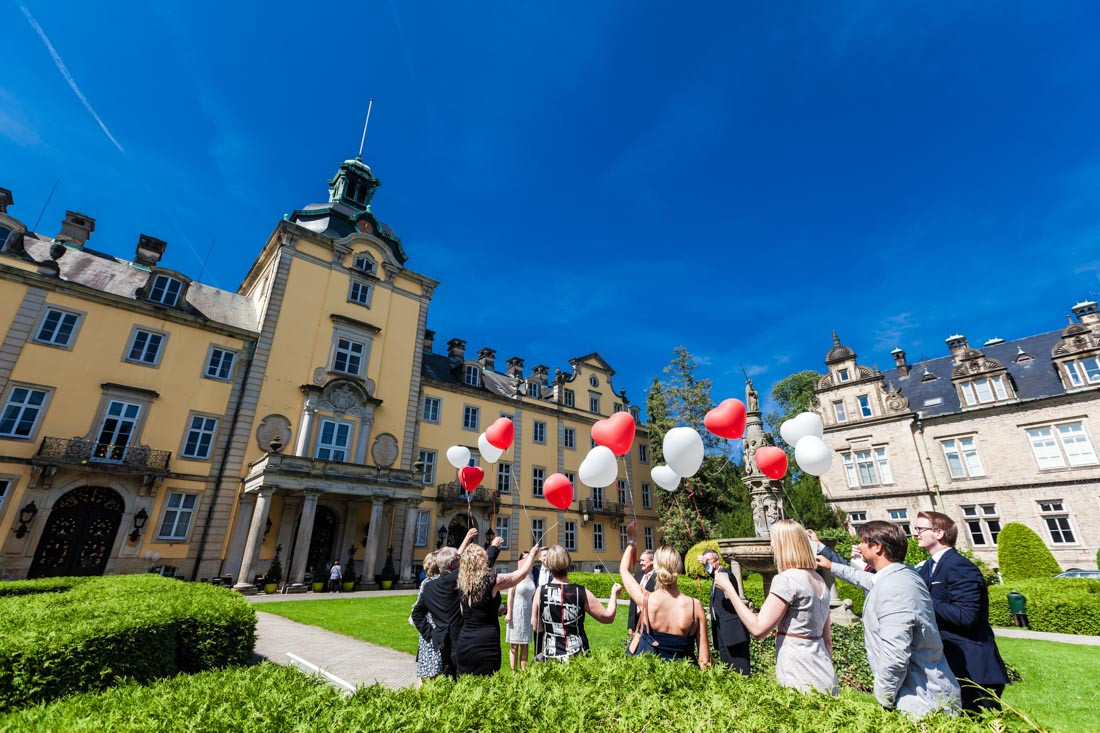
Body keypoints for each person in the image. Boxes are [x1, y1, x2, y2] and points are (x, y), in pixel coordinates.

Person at [822, 521, 960, 717]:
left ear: (877, 547)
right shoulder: (899, 575)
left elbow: (895, 655)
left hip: (919, 702)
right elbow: (869, 580)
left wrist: (884, 696)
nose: (858, 547)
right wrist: (831, 566)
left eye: (862, 542)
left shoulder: (895, 588)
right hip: (916, 695)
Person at [714, 520, 837, 694]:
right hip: (823, 668)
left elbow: (758, 629)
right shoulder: (819, 580)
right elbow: (827, 640)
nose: (770, 544)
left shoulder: (787, 579)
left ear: (782, 544)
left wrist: (729, 590)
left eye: (773, 539)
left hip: (797, 667)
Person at [914, 511, 1009, 713]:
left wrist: (924, 601)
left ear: (938, 533)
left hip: (973, 666)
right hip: (949, 663)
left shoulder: (960, 566)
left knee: (983, 721)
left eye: (920, 529)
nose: (916, 533)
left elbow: (965, 616)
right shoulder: (927, 567)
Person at [619, 522, 710, 669]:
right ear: (679, 568)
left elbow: (624, 570)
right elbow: (705, 661)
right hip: (685, 677)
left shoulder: (646, 600)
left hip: (653, 675)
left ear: (655, 568)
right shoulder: (695, 606)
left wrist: (632, 540)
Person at [411, 527, 492, 678]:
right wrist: (492, 548)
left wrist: (432, 634)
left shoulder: (428, 584)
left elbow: (416, 614)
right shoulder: (453, 579)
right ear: (453, 565)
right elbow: (477, 567)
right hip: (459, 640)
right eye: (458, 559)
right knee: (459, 677)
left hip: (442, 641)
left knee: (444, 678)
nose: (461, 560)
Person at [455, 538, 538, 676]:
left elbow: (465, 611)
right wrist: (532, 555)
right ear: (480, 561)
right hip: (485, 642)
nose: (486, 558)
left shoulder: (462, 585)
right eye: (484, 556)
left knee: (465, 684)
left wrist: (493, 609)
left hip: (464, 641)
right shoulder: (491, 581)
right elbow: (520, 575)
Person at [531, 545, 622, 660]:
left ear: (549, 565)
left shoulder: (540, 591)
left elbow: (536, 626)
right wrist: (614, 594)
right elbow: (608, 617)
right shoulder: (580, 591)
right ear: (568, 563)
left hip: (551, 656)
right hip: (578, 657)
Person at [697, 548, 751, 675]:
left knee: (740, 671)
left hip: (733, 633)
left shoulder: (727, 574)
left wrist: (707, 565)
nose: (708, 564)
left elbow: (722, 579)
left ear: (717, 560)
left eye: (710, 561)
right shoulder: (717, 578)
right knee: (726, 671)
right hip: (721, 632)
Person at [410, 551, 443, 687]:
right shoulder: (434, 584)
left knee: (425, 671)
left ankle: (420, 698)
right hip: (433, 631)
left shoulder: (425, 582)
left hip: (425, 633)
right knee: (434, 672)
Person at [505, 550, 537, 670]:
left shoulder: (533, 575)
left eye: (530, 559)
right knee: (514, 643)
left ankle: (523, 670)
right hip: (516, 610)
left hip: (528, 610)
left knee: (525, 643)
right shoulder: (516, 574)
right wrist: (509, 612)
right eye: (525, 559)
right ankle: (513, 671)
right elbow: (510, 594)